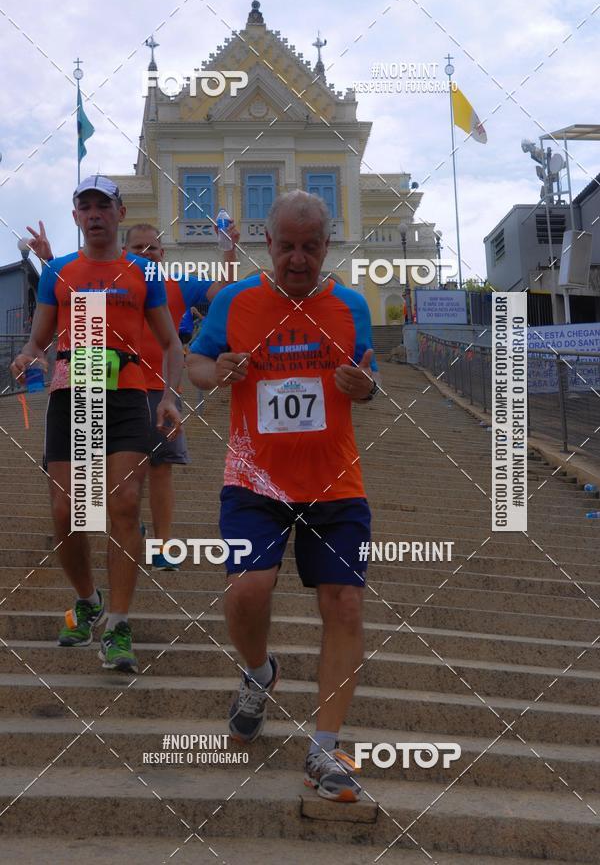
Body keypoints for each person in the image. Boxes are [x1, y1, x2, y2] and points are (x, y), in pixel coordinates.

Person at [187, 190, 380, 802]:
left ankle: (324, 750)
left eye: (311, 247)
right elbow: (195, 362)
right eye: (288, 246)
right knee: (248, 588)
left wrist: (364, 385)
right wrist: (218, 373)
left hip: (334, 483)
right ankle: (260, 672)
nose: (299, 259)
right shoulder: (236, 301)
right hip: (254, 480)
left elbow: (368, 378)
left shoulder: (350, 306)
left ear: (328, 245)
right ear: (267, 243)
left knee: (344, 604)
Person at [11, 176, 184, 674]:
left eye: (102, 206)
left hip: (129, 393)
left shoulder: (142, 272)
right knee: (68, 512)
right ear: (75, 217)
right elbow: (37, 339)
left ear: (118, 212)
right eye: (84, 206)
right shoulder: (61, 272)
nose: (94, 214)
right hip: (74, 391)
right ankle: (89, 601)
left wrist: (169, 396)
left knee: (124, 502)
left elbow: (172, 344)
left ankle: (120, 625)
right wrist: (25, 357)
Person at [24, 219, 240, 572]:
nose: (146, 254)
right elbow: (69, 291)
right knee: (102, 473)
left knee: (160, 469)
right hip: (107, 386)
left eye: (152, 248)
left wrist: (227, 248)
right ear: (127, 251)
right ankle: (123, 529)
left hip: (159, 388)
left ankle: (164, 544)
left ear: (163, 253)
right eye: (137, 248)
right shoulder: (116, 277)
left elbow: (225, 288)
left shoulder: (173, 284)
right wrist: (48, 262)